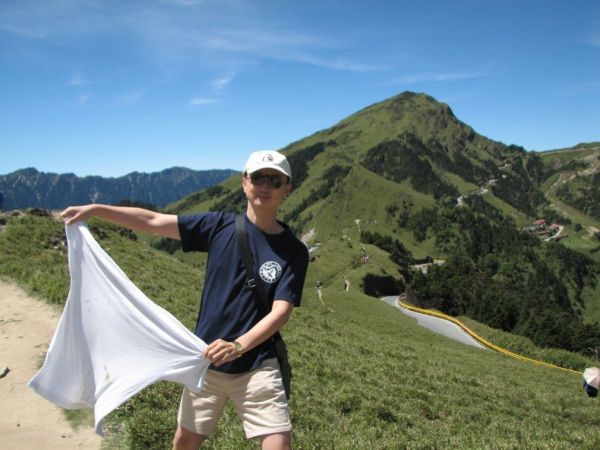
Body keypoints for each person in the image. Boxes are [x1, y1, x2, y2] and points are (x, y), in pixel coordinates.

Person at [61, 150, 309, 450]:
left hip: (257, 361)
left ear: (288, 188)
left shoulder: (293, 250)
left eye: (275, 179)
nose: (265, 185)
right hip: (206, 358)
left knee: (278, 443)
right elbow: (153, 220)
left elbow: (281, 311)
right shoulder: (218, 226)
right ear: (245, 183)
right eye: (258, 177)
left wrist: (239, 345)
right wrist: (97, 209)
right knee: (184, 442)